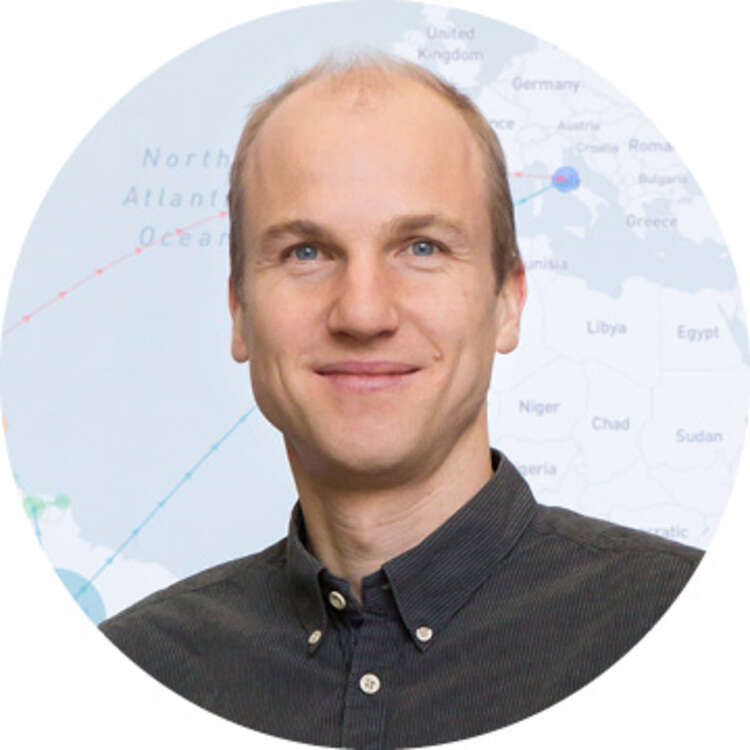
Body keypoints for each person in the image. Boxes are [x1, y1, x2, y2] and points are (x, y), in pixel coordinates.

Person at [99, 50, 702, 749]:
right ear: (239, 313)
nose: (362, 312)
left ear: (508, 302)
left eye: (421, 247)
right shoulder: (129, 676)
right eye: (306, 252)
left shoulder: (689, 632)